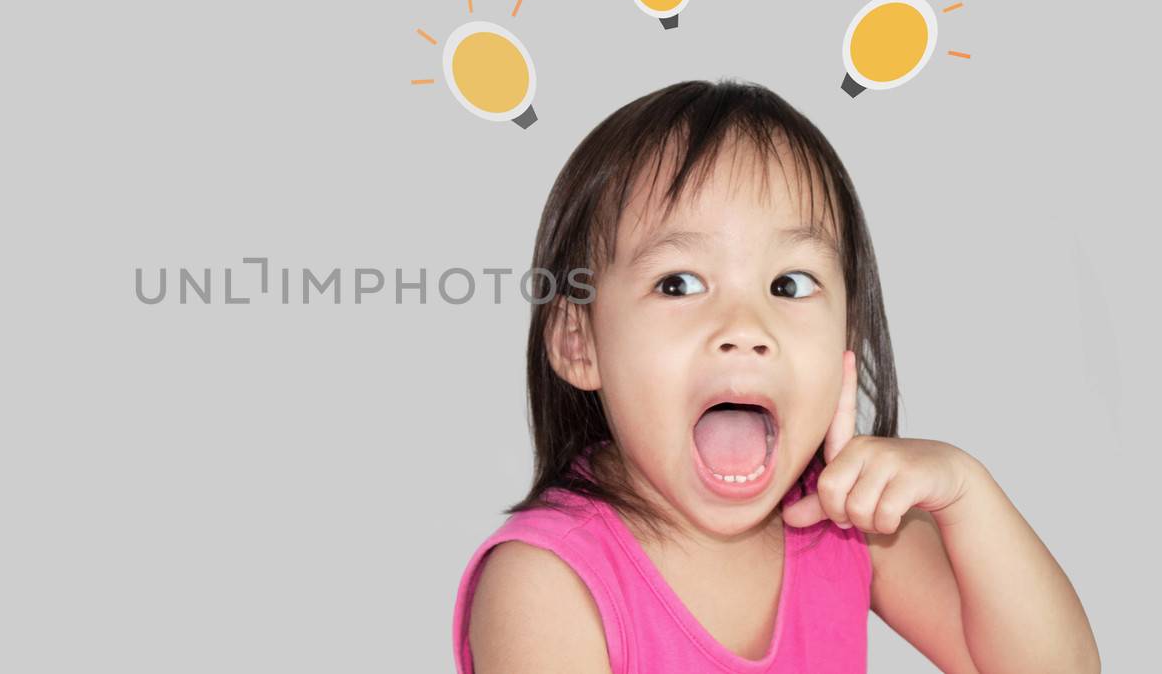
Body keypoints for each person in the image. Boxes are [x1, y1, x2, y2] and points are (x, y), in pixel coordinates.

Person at [450, 80, 1098, 673]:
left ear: (849, 332)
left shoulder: (845, 525)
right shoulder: (544, 582)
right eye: (679, 283)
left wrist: (966, 494)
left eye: (789, 284)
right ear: (578, 341)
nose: (745, 325)